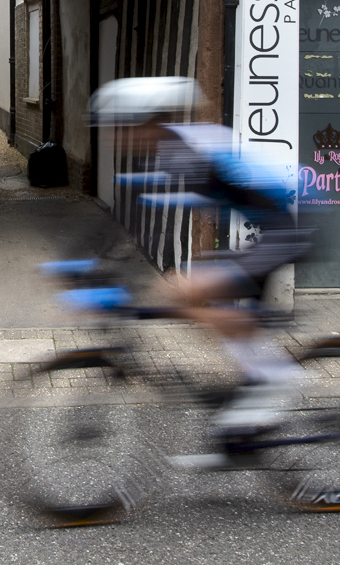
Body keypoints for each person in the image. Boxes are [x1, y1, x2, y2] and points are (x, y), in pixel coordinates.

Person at [88, 75, 311, 439]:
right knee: (212, 307)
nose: (116, 136)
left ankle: (276, 381)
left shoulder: (187, 150)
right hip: (268, 230)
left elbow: (142, 214)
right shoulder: (168, 148)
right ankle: (254, 385)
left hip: (288, 229)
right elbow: (127, 213)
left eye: (122, 126)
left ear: (148, 122)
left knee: (188, 291)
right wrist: (90, 265)